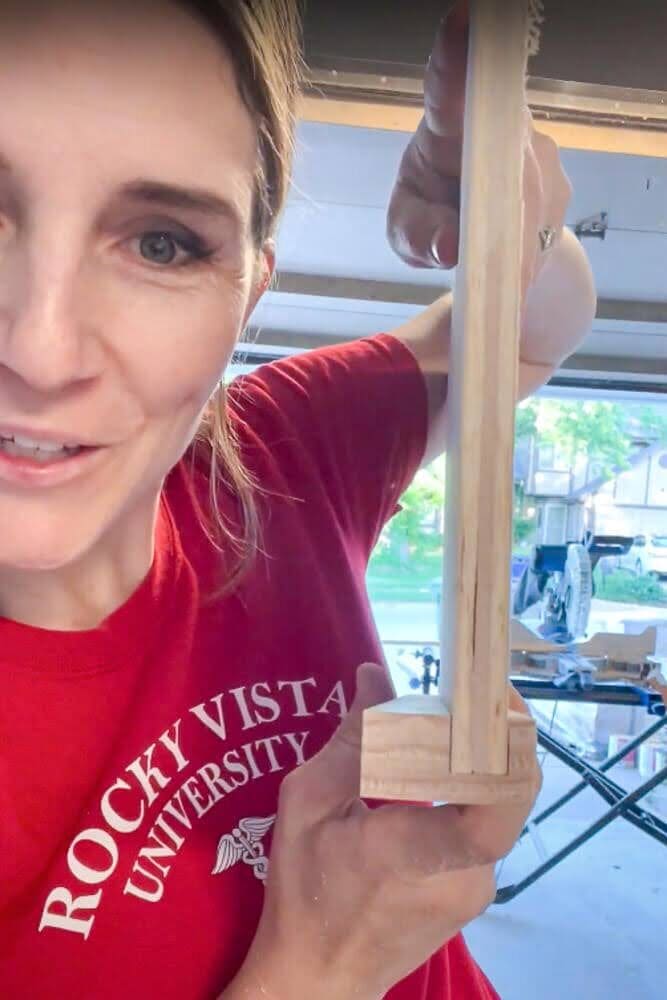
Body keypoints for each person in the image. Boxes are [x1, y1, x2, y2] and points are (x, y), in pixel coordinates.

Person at [0, 1, 596, 998]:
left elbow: (533, 331)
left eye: (163, 244)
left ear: (248, 292)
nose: (42, 352)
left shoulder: (274, 450)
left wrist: (497, 211)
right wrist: (322, 967)